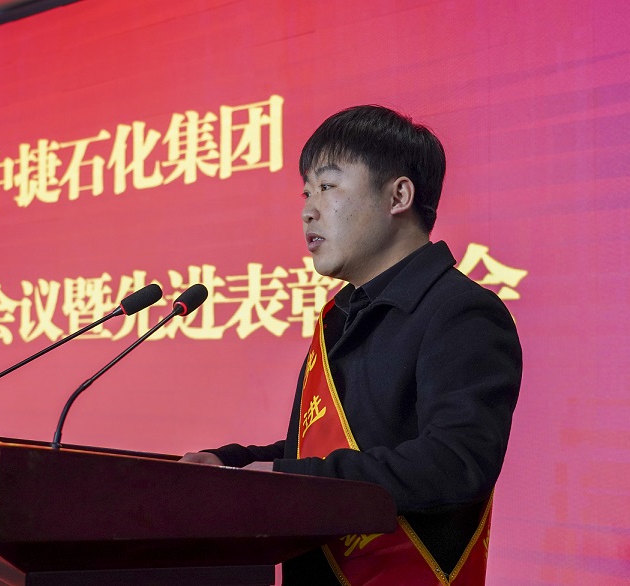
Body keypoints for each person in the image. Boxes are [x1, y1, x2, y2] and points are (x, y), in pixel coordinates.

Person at [180, 105, 522, 585]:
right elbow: (333, 448)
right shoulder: (340, 317)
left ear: (398, 195)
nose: (308, 210)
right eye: (306, 192)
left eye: (327, 186)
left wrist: (287, 478)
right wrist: (235, 463)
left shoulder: (461, 311)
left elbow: (456, 461)